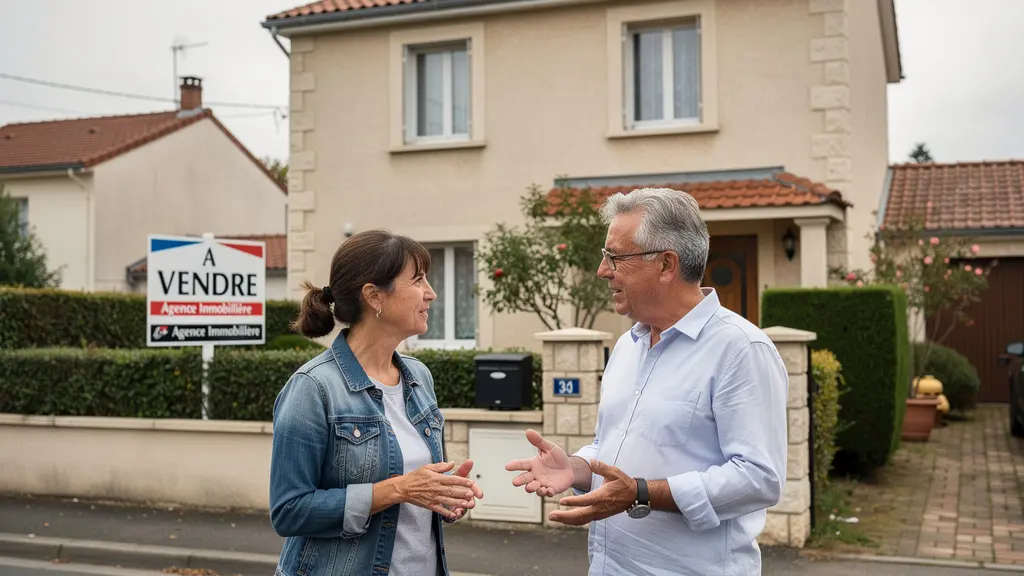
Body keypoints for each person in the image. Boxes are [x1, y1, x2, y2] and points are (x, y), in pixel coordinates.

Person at [505, 188, 789, 575]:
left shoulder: (740, 349)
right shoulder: (627, 346)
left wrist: (639, 493)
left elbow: (759, 478)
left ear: (666, 264)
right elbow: (615, 449)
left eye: (615, 257)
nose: (602, 270)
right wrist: (576, 468)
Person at [269, 229, 483, 576]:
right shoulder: (313, 387)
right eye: (417, 281)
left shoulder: (419, 377)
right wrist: (398, 489)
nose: (431, 294)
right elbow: (289, 510)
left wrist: (443, 498)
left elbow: (416, 501)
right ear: (374, 296)